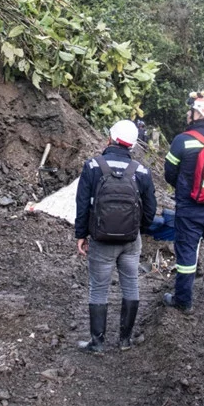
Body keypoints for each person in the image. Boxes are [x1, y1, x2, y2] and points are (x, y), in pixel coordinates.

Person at [74, 120, 157, 353]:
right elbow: (150, 208)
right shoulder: (141, 171)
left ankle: (97, 343)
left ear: (109, 139)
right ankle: (125, 341)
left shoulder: (92, 166)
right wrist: (137, 230)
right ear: (132, 145)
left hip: (101, 241)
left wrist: (81, 234)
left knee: (98, 288)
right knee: (131, 284)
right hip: (131, 241)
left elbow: (82, 205)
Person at [163, 91, 204, 311]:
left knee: (186, 256)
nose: (188, 113)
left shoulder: (182, 141)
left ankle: (184, 301)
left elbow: (169, 174)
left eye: (191, 109)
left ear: (198, 113)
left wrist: (184, 188)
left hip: (190, 209)